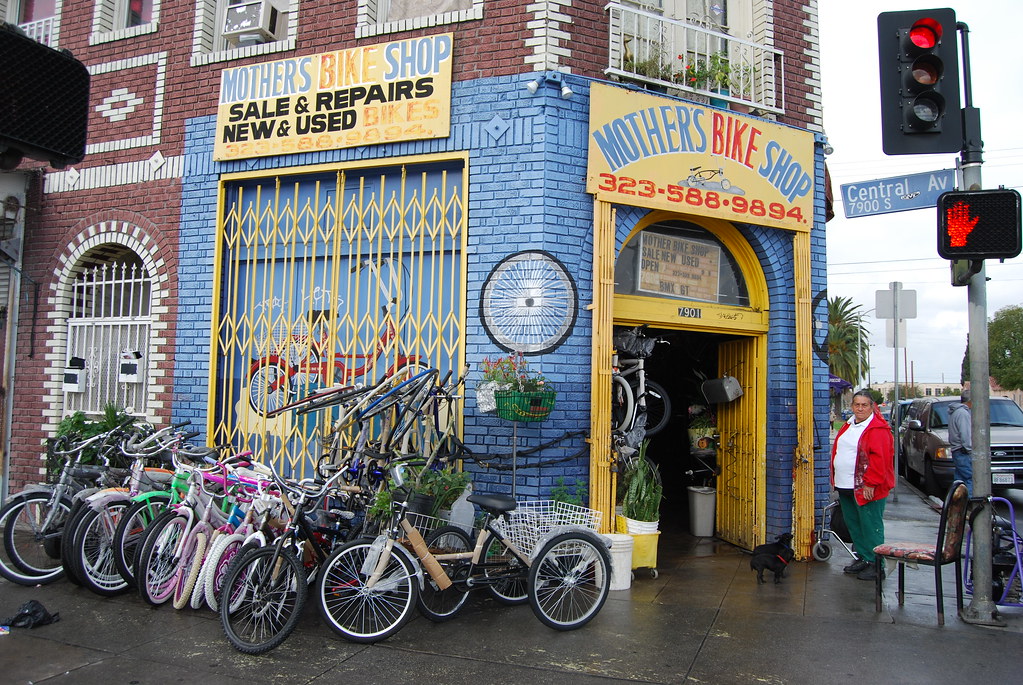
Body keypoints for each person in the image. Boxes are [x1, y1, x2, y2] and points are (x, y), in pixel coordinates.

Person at [829, 390, 896, 581]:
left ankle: (876, 564)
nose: (860, 408)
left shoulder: (878, 429)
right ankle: (864, 558)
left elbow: (880, 460)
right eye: (856, 405)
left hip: (866, 488)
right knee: (854, 524)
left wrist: (871, 484)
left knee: (870, 526)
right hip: (846, 485)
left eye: (864, 405)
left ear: (872, 406)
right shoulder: (849, 425)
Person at [947, 387, 973, 497]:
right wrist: (969, 449)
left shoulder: (956, 412)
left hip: (956, 450)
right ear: (970, 401)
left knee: (959, 480)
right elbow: (965, 434)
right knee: (970, 479)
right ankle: (971, 505)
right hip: (962, 450)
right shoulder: (963, 413)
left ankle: (957, 506)